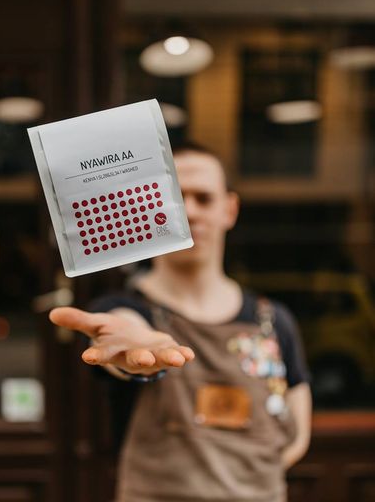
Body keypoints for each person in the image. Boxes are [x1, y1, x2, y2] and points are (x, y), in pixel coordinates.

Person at [50, 142, 312, 502]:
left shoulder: (274, 320)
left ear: (229, 209)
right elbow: (123, 337)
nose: (189, 210)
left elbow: (297, 433)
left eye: (204, 198)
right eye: (173, 197)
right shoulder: (125, 309)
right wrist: (133, 354)